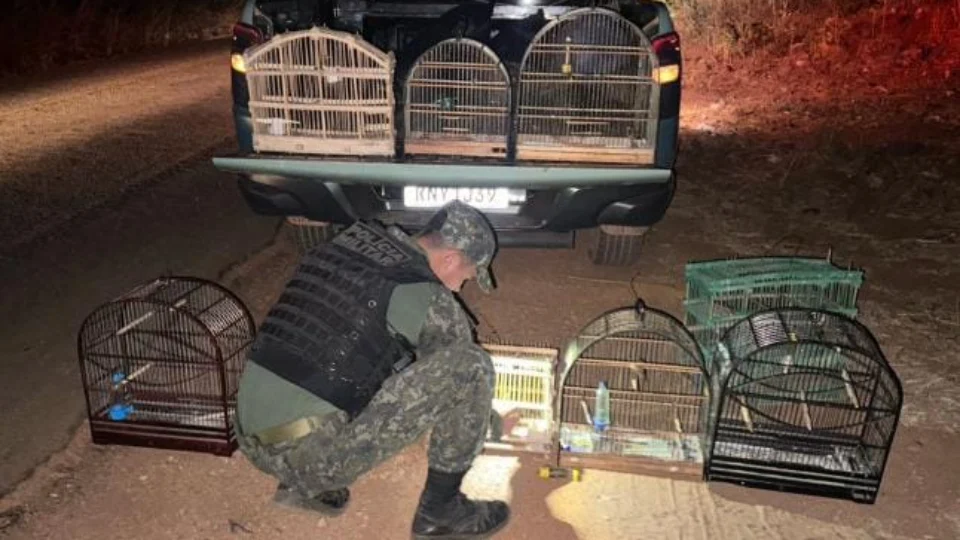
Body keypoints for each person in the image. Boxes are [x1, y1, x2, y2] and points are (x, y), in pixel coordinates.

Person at [235, 200, 509, 539]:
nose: (459, 287)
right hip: (304, 457)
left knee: (366, 354)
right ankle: (442, 512)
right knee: (471, 366)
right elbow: (455, 378)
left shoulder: (347, 244)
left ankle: (303, 483)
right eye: (466, 277)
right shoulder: (431, 297)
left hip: (249, 435)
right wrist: (487, 420)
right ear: (450, 258)